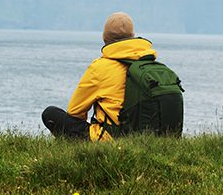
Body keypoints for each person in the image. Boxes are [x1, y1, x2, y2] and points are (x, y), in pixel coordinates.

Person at [42, 11, 157, 142]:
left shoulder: (100, 68)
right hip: (146, 138)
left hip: (110, 139)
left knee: (50, 113)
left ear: (105, 38)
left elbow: (75, 112)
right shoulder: (150, 65)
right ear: (132, 37)